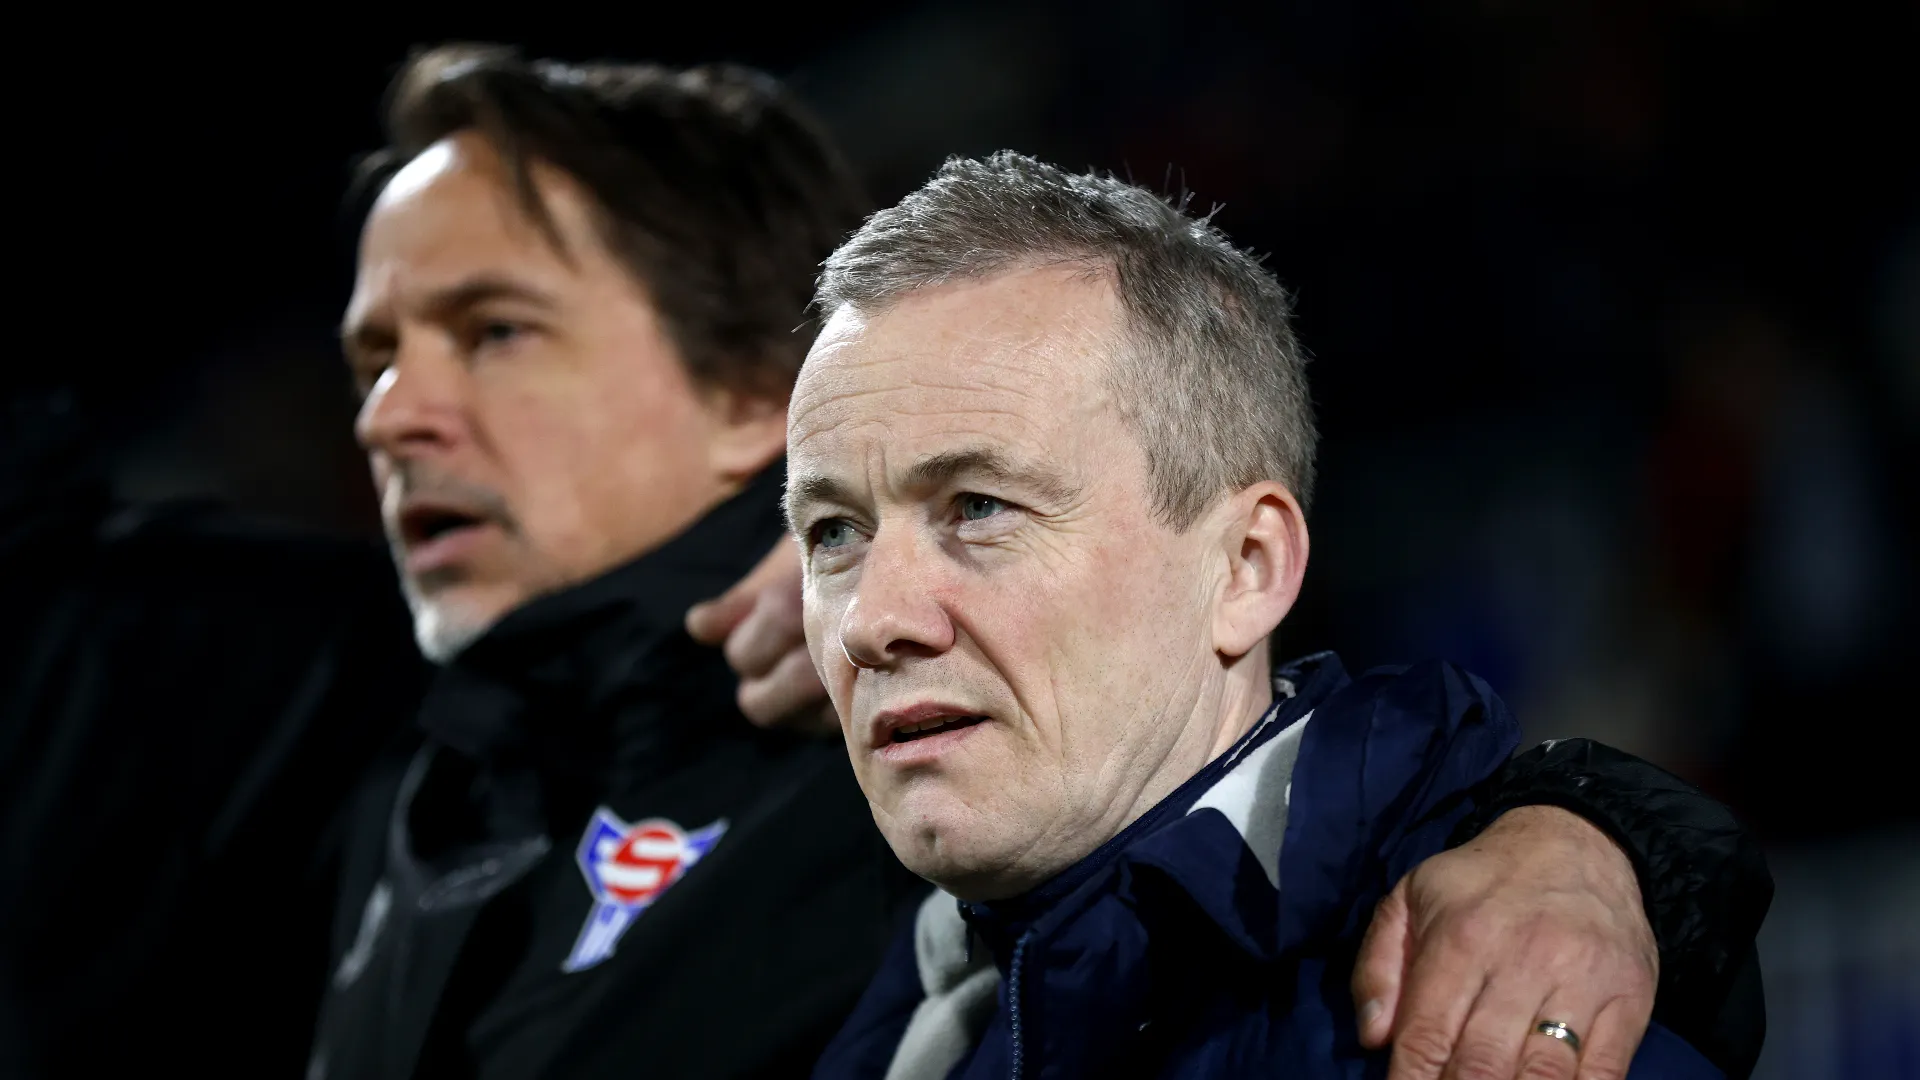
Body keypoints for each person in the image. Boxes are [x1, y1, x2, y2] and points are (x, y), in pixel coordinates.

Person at [1, 44, 1758, 1080]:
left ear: (740, 397)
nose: (393, 412)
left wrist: (1598, 838)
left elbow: (1279, 755)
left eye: (496, 332)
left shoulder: (912, 775)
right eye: (374, 354)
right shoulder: (357, 753)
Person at [785, 152, 1765, 1079]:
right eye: (834, 532)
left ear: (1246, 568)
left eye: (979, 507)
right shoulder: (878, 1023)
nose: (872, 619)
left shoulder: (1500, 1014)